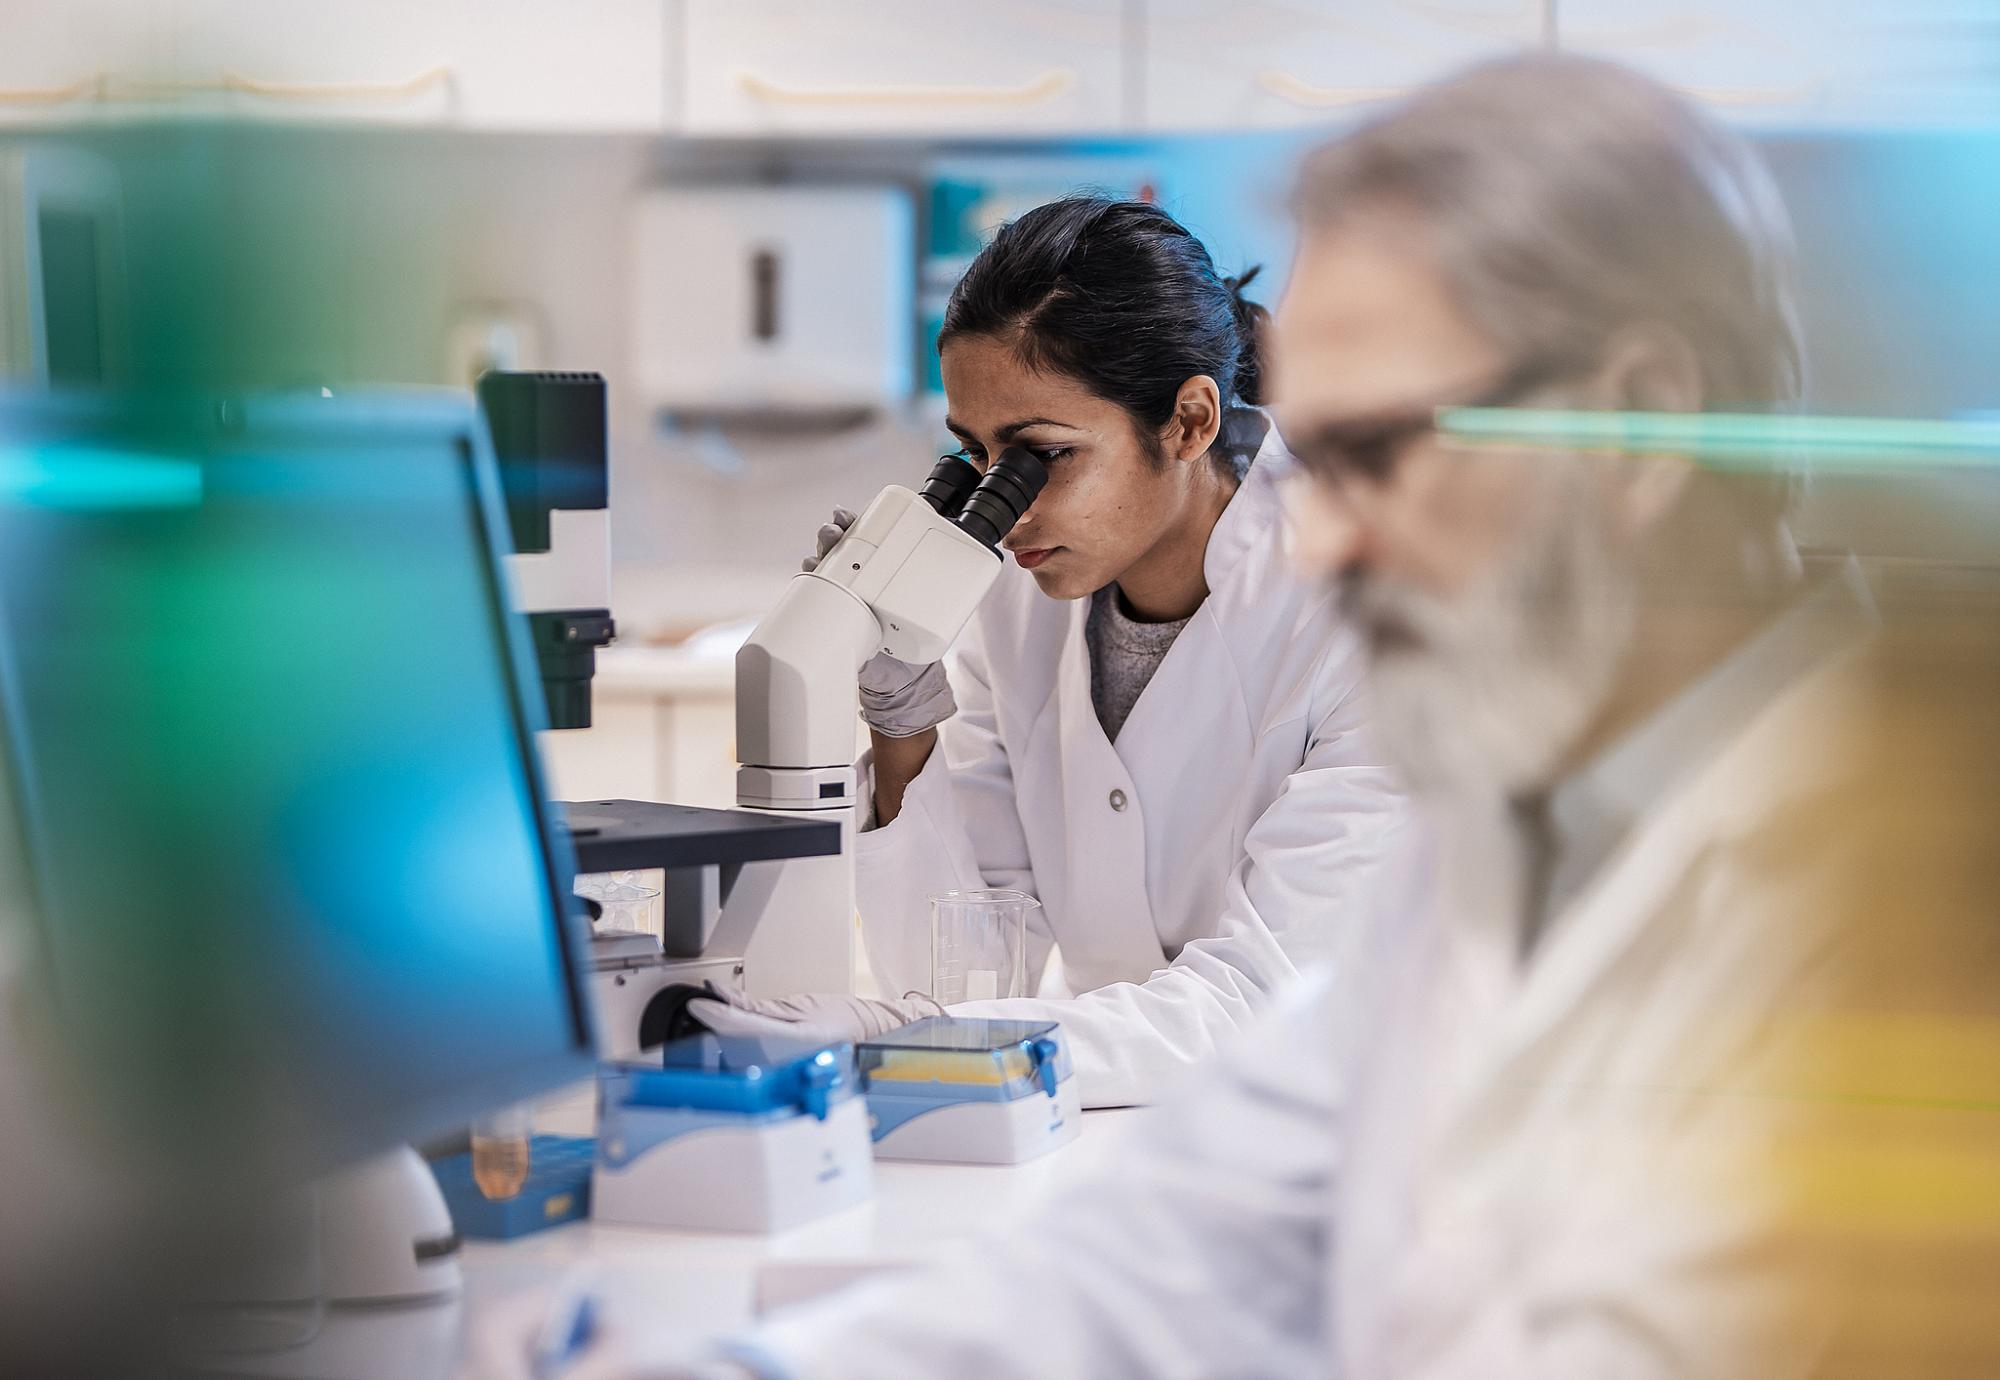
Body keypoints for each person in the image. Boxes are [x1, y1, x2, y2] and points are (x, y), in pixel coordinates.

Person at [467, 55, 2000, 1380]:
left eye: (1377, 454)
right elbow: (1160, 1252)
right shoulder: (1510, 851)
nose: (1318, 542)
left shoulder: (1908, 893)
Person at [698, 197, 1408, 1108]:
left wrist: (910, 1035)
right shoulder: (1012, 604)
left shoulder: (1369, 618)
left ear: (1189, 422)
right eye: (976, 458)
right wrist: (904, 726)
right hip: (1113, 1112)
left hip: (1347, 1132)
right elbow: (959, 975)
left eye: (1043, 457)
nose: (1009, 508)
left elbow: (1259, 1004)